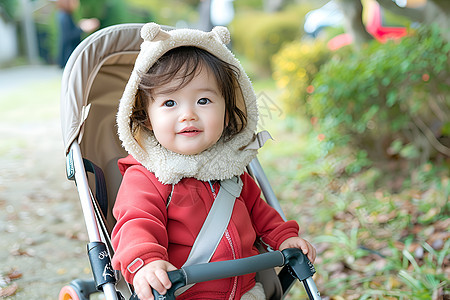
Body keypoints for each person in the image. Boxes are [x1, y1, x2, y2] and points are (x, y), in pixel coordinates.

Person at [112, 23, 316, 300]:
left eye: (204, 100)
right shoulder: (147, 177)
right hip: (185, 294)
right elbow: (136, 223)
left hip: (247, 291)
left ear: (228, 112)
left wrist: (284, 237)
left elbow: (260, 212)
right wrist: (146, 262)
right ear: (147, 118)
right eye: (170, 103)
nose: (188, 115)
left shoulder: (231, 169)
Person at [56, 0, 99, 68]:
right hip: (69, 54)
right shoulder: (65, 16)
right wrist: (82, 28)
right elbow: (68, 36)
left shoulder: (66, 15)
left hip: (69, 53)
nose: (77, 3)